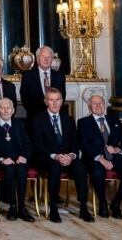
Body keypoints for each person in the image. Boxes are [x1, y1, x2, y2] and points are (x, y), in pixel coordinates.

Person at [31, 87, 93, 223]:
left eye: (57, 100)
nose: (55, 103)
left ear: (62, 101)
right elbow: (38, 145)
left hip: (67, 157)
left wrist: (70, 156)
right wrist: (56, 156)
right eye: (51, 100)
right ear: (46, 101)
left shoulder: (68, 119)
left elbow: (75, 142)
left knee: (81, 168)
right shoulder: (37, 119)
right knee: (54, 168)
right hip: (48, 158)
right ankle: (53, 207)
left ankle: (83, 207)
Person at [78, 95, 122, 219]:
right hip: (94, 157)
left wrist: (118, 149)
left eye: (101, 103)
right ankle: (102, 202)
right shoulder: (83, 122)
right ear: (89, 106)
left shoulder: (114, 120)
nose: (98, 106)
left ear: (104, 105)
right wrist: (100, 158)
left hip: (114, 156)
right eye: (94, 103)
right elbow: (84, 144)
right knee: (98, 173)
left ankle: (116, 203)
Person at [0, 98, 34, 222]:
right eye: (2, 108)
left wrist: (23, 156)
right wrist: (1, 159)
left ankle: (21, 207)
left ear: (13, 111)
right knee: (10, 170)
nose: (5, 110)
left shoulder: (20, 124)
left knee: (21, 170)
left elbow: (28, 144)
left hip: (18, 158)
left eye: (8, 108)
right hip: (0, 160)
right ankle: (12, 206)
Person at [20, 46, 66, 121]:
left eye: (49, 57)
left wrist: (52, 112)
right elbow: (25, 98)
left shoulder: (59, 76)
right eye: (43, 56)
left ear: (52, 59)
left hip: (55, 117)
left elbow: (62, 96)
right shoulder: (28, 76)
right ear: (37, 59)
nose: (46, 59)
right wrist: (39, 115)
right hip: (34, 118)